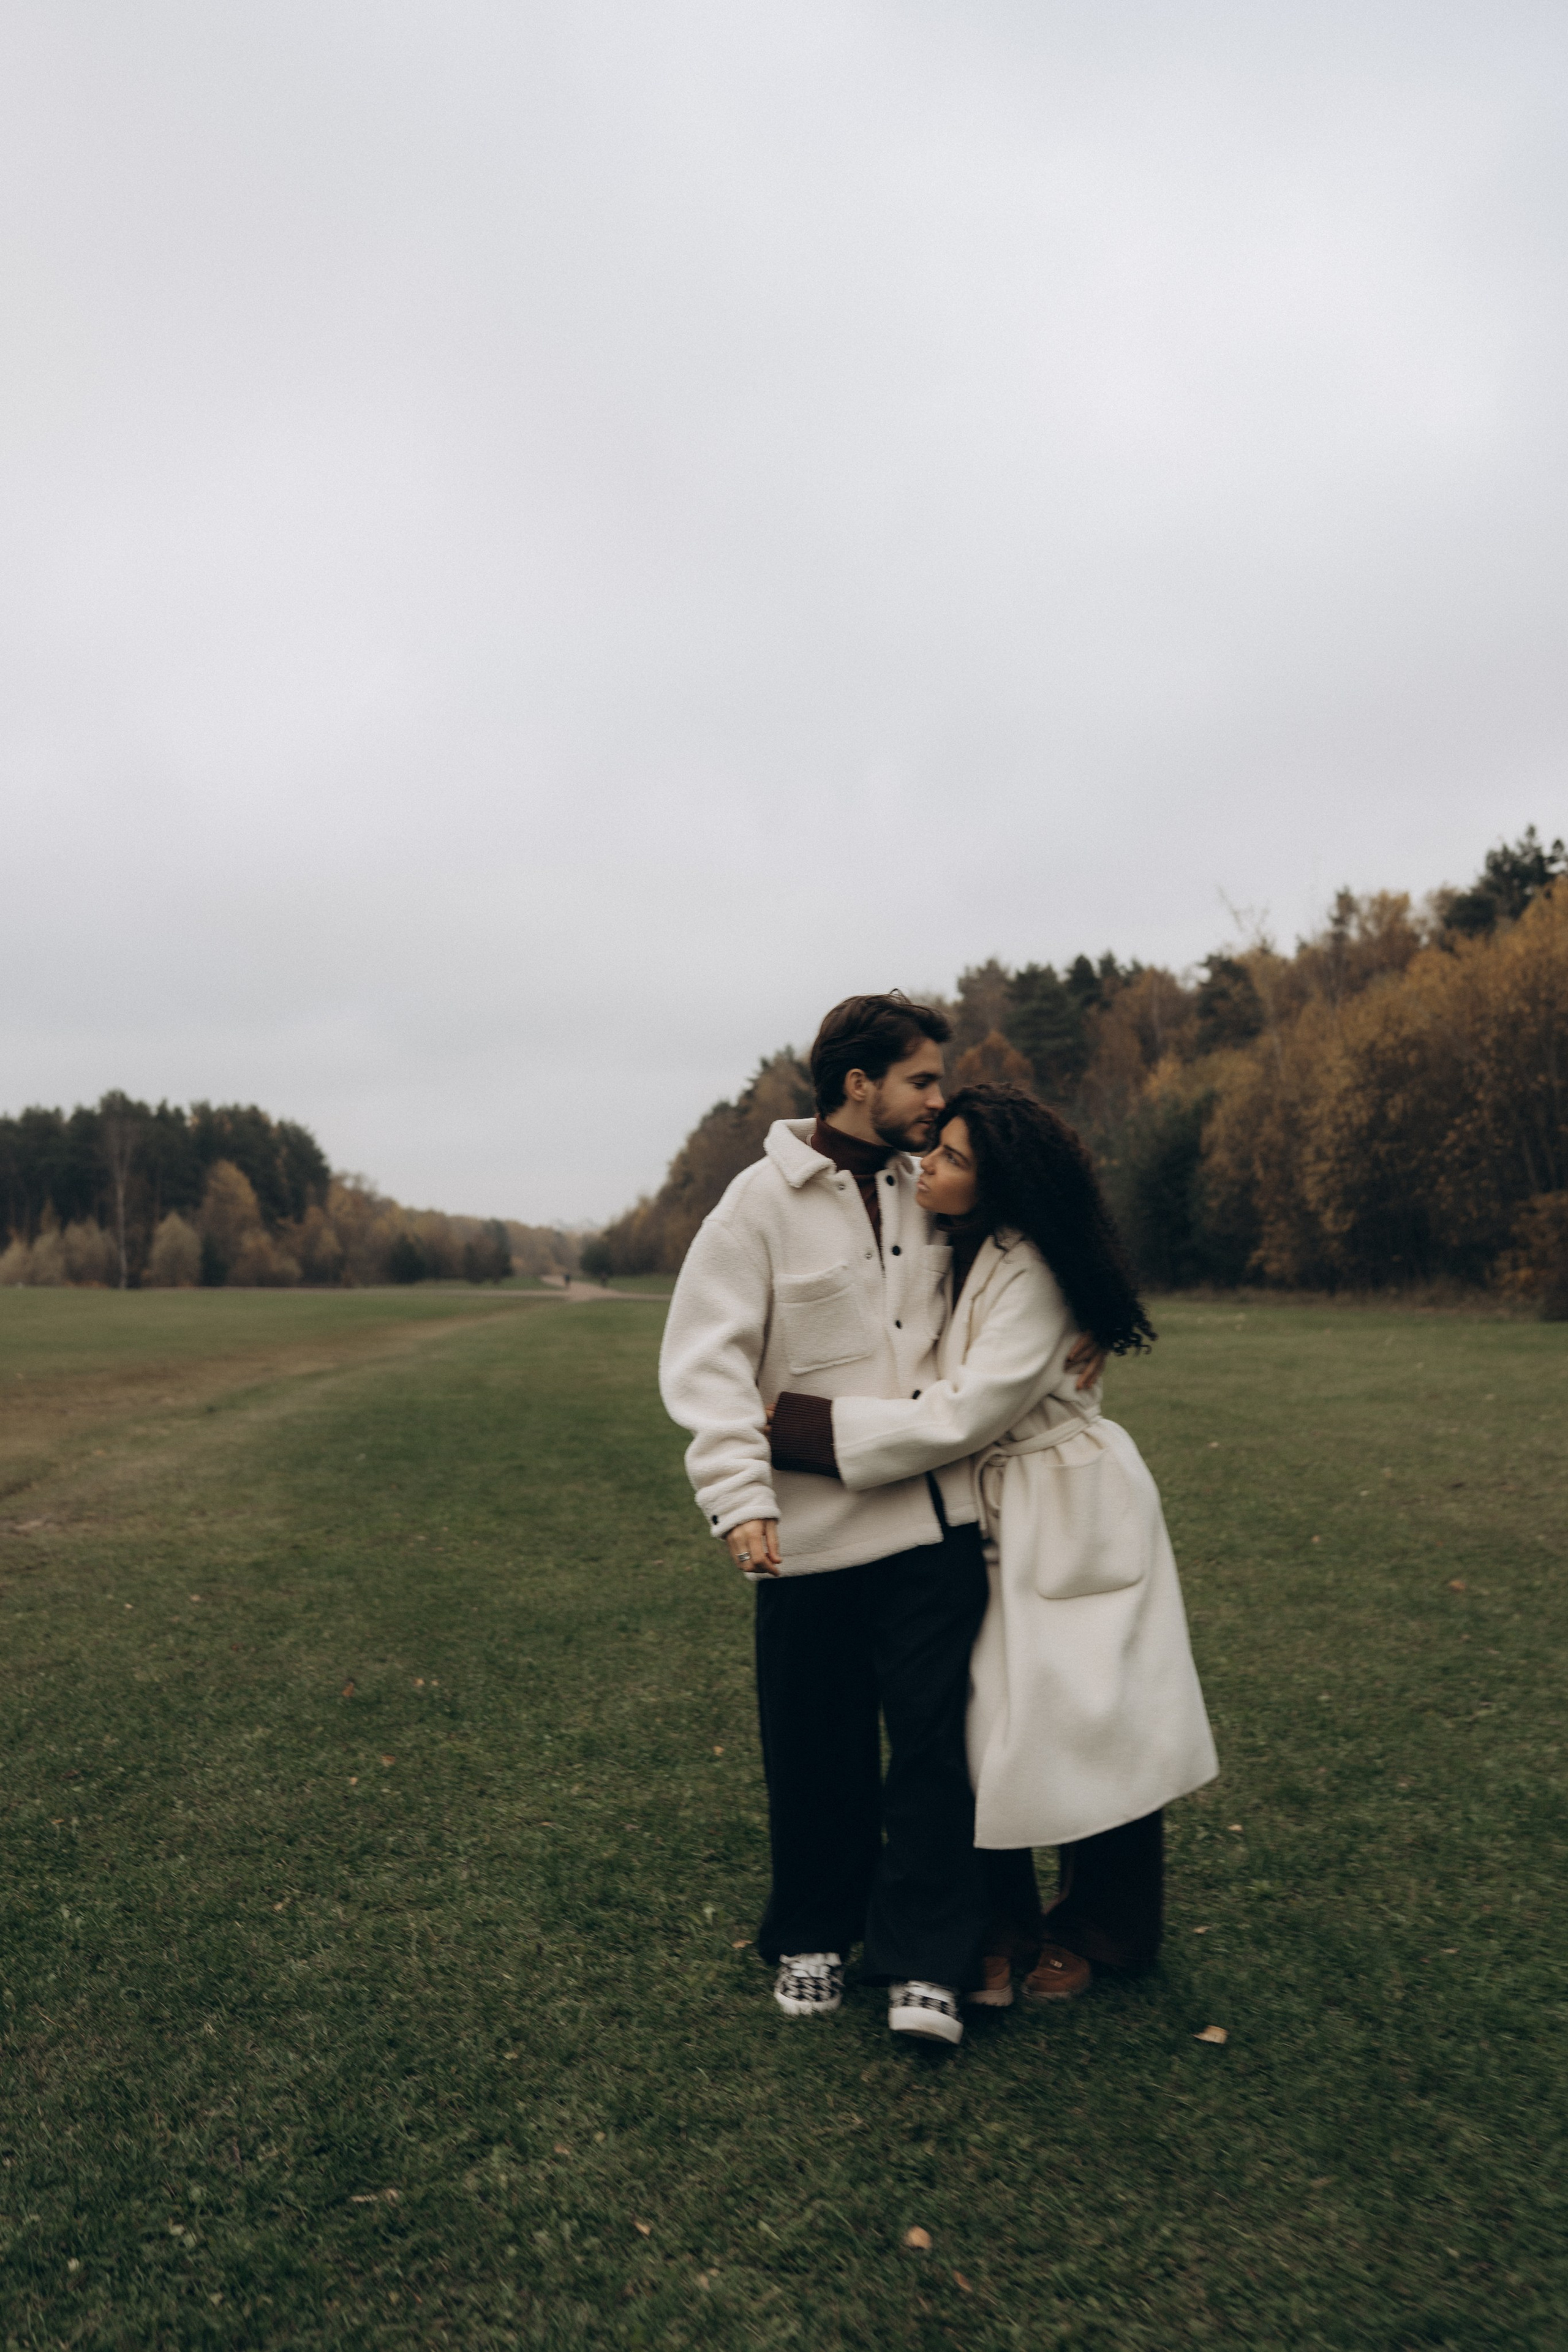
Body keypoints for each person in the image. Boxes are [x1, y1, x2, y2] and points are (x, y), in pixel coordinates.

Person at [660, 995, 1101, 2046]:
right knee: (814, 1750)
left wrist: (1092, 1320)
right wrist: (739, 1498)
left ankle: (926, 1961)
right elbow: (707, 1363)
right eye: (921, 1081)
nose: (938, 1100)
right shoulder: (755, 1207)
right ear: (858, 1084)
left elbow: (1036, 1252)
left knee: (939, 1757)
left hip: (933, 1528)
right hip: (804, 1535)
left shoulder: (935, 1186)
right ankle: (813, 1937)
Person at [769, 1084, 1218, 2005]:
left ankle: (1107, 1928)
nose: (926, 1165)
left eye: (953, 1158)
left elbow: (966, 1413)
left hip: (1068, 1503)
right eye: (935, 1150)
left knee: (1097, 1716)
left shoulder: (1036, 1268)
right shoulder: (956, 1236)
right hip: (992, 1510)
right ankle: (1001, 1923)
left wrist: (808, 1432)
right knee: (991, 1726)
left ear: (1001, 1181)